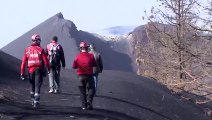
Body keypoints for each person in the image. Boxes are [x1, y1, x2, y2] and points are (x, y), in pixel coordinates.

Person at [20, 34, 50, 108]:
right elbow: (46, 61)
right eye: (39, 40)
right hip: (38, 70)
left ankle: (32, 100)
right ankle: (36, 102)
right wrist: (48, 69)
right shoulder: (41, 50)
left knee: (32, 85)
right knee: (37, 86)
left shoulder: (27, 50)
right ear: (38, 40)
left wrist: (22, 73)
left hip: (30, 70)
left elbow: (23, 62)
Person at [72, 41, 97, 110]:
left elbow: (74, 66)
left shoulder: (77, 56)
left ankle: (84, 106)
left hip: (80, 76)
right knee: (91, 88)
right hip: (89, 75)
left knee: (82, 91)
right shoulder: (91, 56)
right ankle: (89, 101)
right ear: (87, 48)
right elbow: (95, 64)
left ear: (80, 48)